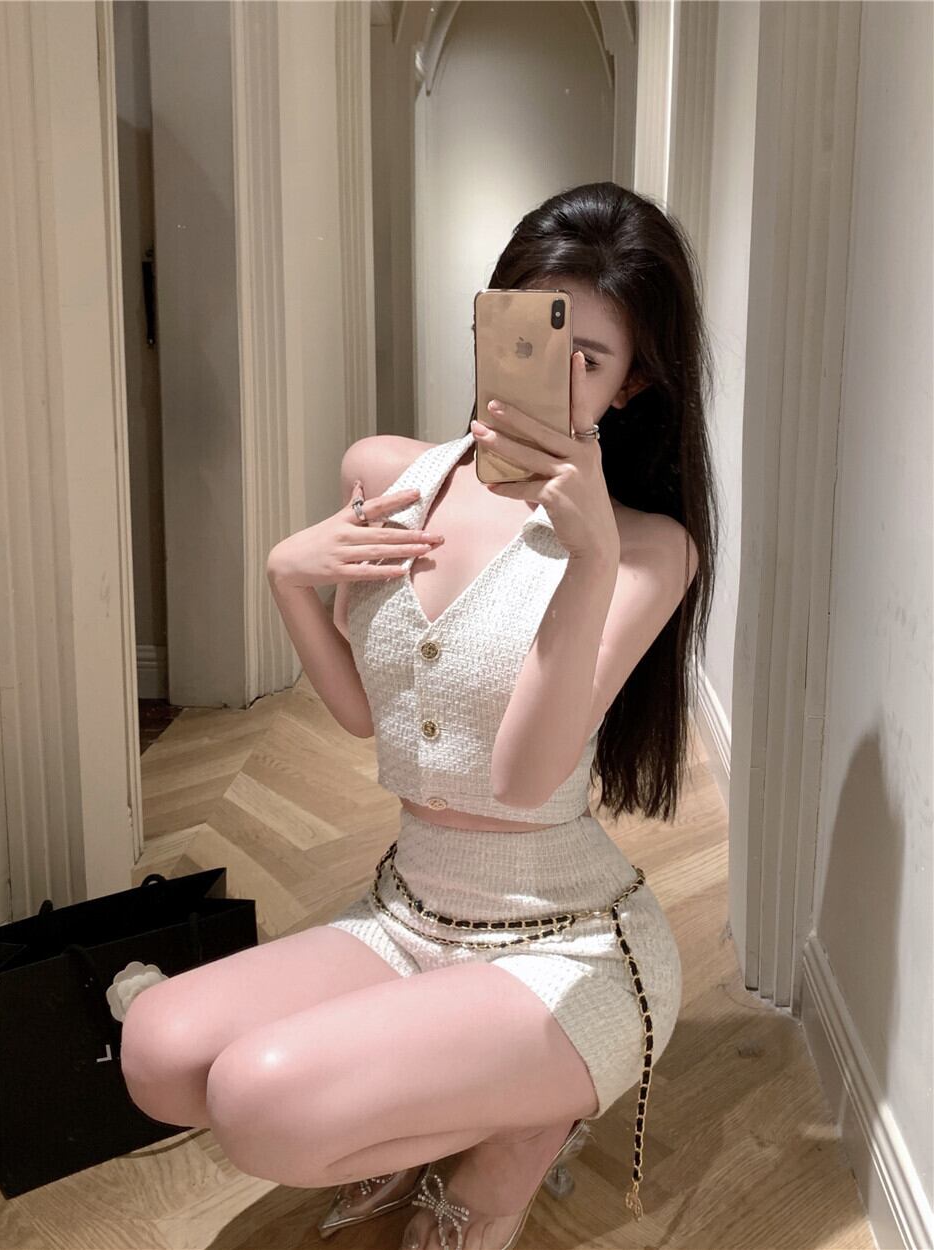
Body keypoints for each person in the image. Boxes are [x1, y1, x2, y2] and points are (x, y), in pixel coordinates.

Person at [120, 181, 719, 1250]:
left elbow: (525, 777)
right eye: (533, 332)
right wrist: (287, 575)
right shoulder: (391, 474)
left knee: (260, 1101)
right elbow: (366, 715)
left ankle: (524, 1125)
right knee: (160, 1051)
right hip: (405, 912)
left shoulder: (644, 550)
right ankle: (436, 1093)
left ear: (633, 385)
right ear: (488, 321)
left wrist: (585, 560)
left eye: (590, 357)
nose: (554, 375)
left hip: (565, 945)